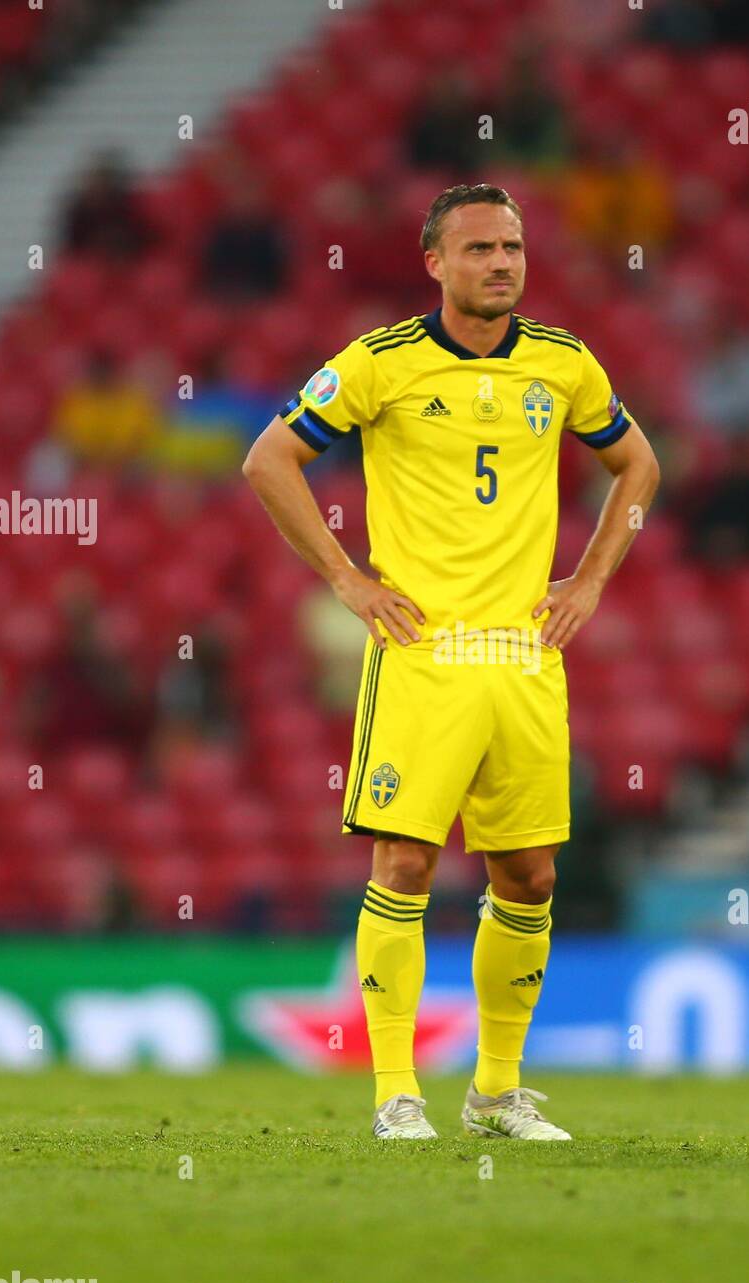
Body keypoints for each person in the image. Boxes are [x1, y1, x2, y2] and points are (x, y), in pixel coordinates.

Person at [243, 184, 660, 1140]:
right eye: (478, 250)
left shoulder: (562, 364)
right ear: (435, 262)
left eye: (512, 247)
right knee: (405, 860)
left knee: (531, 879)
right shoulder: (379, 363)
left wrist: (590, 580)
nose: (502, 264)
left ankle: (494, 1093)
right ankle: (396, 1092)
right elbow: (269, 459)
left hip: (524, 655)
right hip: (423, 654)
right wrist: (350, 581)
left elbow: (640, 462)